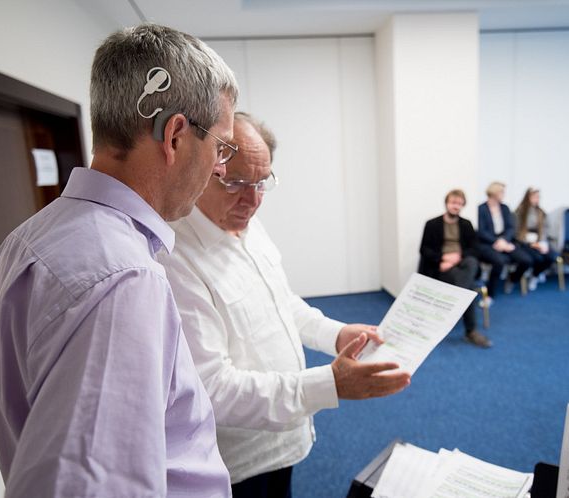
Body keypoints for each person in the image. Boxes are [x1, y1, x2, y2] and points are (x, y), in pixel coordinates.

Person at [0, 24, 238, 497]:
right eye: (220, 146)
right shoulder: (123, 278)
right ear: (176, 136)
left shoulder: (24, 240)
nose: (221, 167)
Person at [158, 112, 411, 498]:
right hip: (237, 461)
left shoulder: (244, 220)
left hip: (284, 435)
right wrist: (330, 384)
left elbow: (281, 303)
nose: (254, 200)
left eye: (262, 183)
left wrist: (337, 334)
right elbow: (213, 388)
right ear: (203, 169)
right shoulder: (176, 258)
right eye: (238, 183)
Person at [418, 189, 492, 348]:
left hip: (461, 262)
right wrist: (443, 259)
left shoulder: (466, 224)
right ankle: (471, 331)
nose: (455, 206)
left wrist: (456, 257)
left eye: (459, 203)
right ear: (446, 203)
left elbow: (474, 249)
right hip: (440, 267)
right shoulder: (432, 224)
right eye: (453, 202)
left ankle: (456, 309)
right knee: (469, 288)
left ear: (463, 205)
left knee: (472, 262)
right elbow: (424, 250)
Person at [477, 181, 532, 300]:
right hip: (488, 244)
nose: (504, 194)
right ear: (494, 193)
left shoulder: (505, 208)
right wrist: (496, 242)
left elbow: (511, 227)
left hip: (505, 241)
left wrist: (504, 241)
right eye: (502, 192)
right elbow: (481, 231)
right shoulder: (481, 209)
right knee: (499, 262)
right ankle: (490, 294)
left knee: (526, 260)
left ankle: (512, 279)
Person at [515, 187, 557, 290]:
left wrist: (542, 243)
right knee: (537, 258)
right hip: (524, 242)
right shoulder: (519, 212)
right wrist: (531, 244)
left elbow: (545, 229)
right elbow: (517, 232)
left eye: (538, 197)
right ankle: (532, 274)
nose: (536, 199)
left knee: (551, 256)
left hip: (539, 241)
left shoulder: (541, 212)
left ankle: (535, 275)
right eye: (534, 197)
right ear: (527, 197)